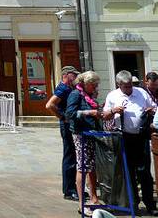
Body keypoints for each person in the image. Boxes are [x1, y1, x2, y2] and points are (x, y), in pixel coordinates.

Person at [104, 70, 157, 216]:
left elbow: (154, 106)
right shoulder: (112, 96)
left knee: (144, 172)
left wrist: (151, 110)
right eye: (126, 86)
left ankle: (150, 204)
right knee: (129, 172)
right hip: (124, 137)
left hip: (141, 136)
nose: (129, 89)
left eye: (130, 86)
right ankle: (134, 204)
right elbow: (105, 115)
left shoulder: (141, 92)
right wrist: (114, 111)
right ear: (119, 84)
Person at [66, 71, 104, 216]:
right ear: (86, 83)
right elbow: (70, 114)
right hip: (81, 135)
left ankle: (94, 198)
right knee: (82, 167)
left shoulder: (88, 95)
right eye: (93, 85)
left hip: (91, 134)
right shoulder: (75, 94)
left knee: (91, 167)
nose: (95, 87)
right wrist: (89, 112)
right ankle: (82, 204)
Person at [45, 65, 80, 201]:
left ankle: (73, 188)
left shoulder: (67, 87)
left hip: (70, 125)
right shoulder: (63, 88)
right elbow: (50, 105)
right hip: (67, 126)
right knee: (70, 156)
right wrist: (63, 117)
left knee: (73, 156)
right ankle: (69, 190)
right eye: (73, 75)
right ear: (66, 75)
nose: (76, 77)